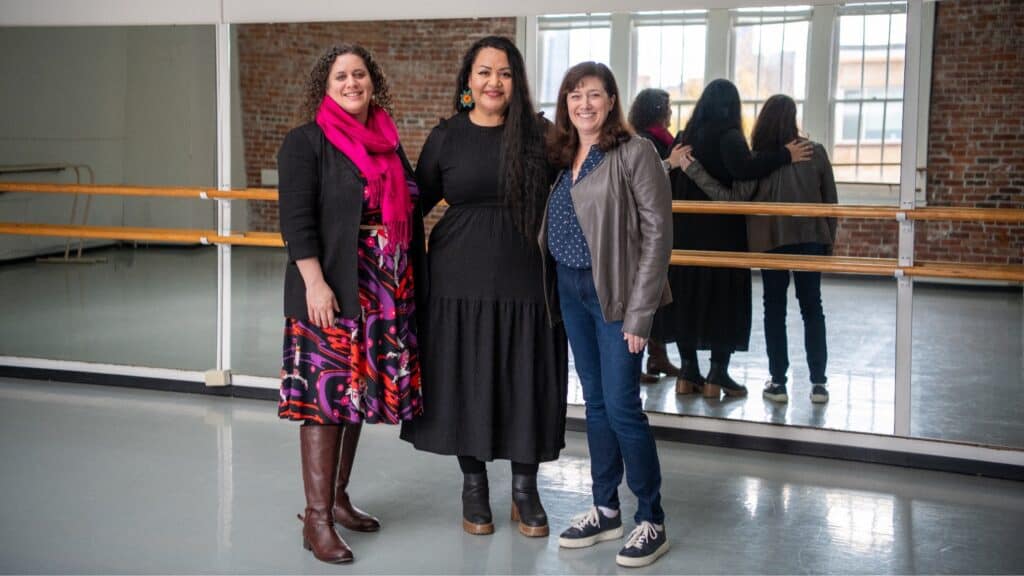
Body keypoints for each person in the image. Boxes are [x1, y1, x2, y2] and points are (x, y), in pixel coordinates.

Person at [399, 36, 568, 539]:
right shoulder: (446, 137)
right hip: (456, 284)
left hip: (527, 283)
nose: (494, 82)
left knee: (526, 379)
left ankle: (524, 489)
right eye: (484, 72)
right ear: (468, 82)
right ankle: (474, 487)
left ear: (516, 83)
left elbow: (580, 185)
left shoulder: (540, 135)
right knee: (465, 380)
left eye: (505, 73)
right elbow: (412, 204)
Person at [276, 44, 426, 564]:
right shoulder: (306, 142)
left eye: (359, 74)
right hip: (333, 283)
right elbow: (296, 221)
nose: (351, 83)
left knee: (356, 394)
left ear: (372, 81)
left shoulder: (387, 141)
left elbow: (413, 200)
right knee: (326, 396)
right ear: (326, 85)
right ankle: (314, 520)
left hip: (383, 286)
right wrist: (315, 284)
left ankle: (337, 500)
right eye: (341, 76)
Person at [542, 61, 672, 568]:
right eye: (574, 95)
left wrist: (640, 315)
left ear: (612, 100)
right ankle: (605, 508)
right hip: (571, 290)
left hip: (615, 295)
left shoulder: (634, 153)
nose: (584, 104)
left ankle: (652, 519)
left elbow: (658, 235)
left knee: (621, 407)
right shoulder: (563, 154)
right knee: (594, 405)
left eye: (594, 95)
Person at [679, 94, 837, 404]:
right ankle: (818, 383)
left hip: (770, 244)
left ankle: (778, 382)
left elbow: (731, 200)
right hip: (811, 239)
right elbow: (831, 201)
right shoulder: (814, 153)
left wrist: (694, 171)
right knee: (812, 308)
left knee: (774, 310)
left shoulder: (758, 160)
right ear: (793, 118)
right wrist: (828, 241)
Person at [627, 88, 683, 383]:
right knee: (645, 296)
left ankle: (657, 356)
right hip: (643, 229)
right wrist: (671, 162)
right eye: (668, 108)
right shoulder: (644, 141)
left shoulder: (660, 139)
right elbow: (642, 180)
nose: (671, 113)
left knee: (657, 296)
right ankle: (635, 364)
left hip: (657, 222)